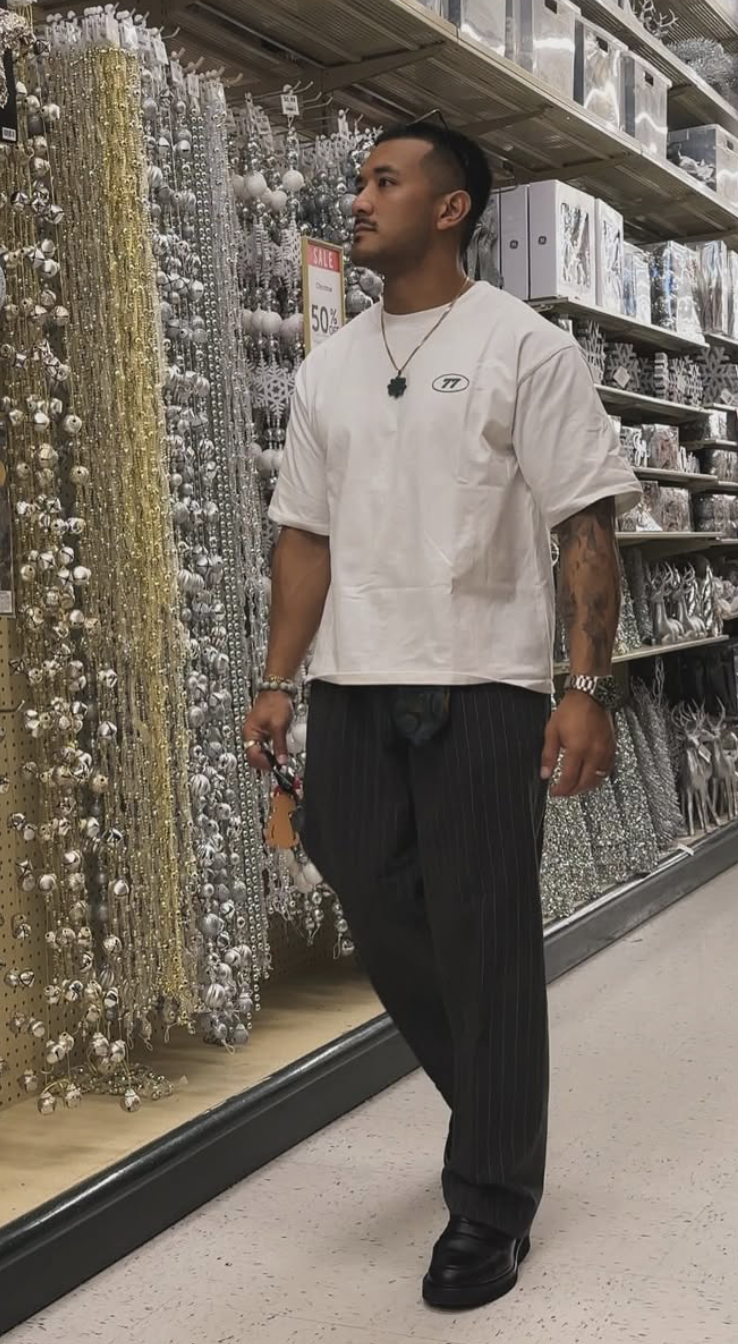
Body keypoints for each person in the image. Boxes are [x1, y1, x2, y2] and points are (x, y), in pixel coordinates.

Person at [242, 120, 641, 1311]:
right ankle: (496, 1101)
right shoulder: (326, 368)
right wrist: (275, 678)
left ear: (450, 206)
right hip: (351, 683)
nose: (358, 199)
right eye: (359, 180)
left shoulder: (525, 348)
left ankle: (490, 1201)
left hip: (483, 685)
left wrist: (584, 688)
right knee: (363, 881)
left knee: (483, 929)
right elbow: (303, 538)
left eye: (383, 180)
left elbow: (582, 528)